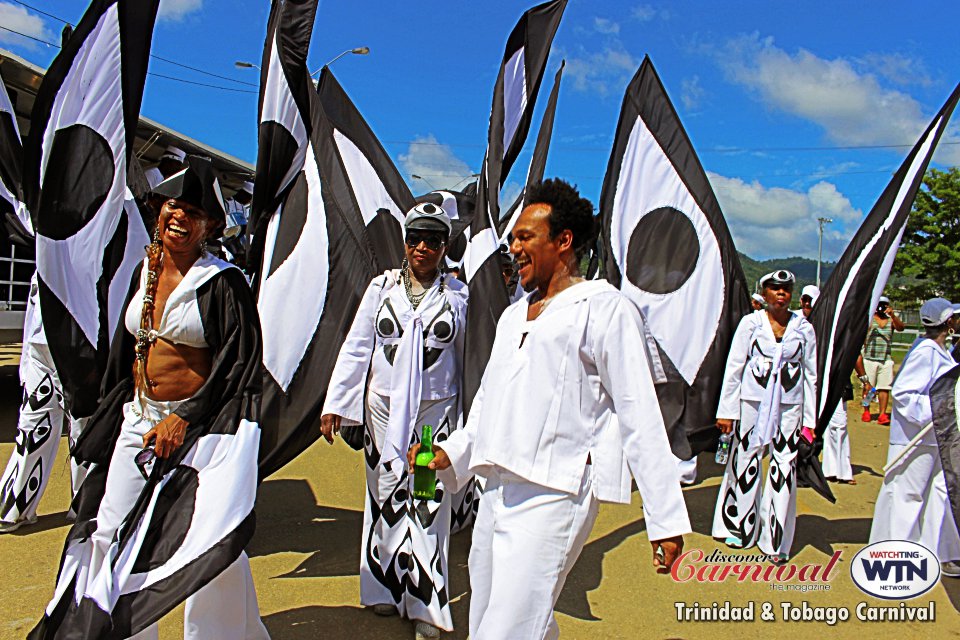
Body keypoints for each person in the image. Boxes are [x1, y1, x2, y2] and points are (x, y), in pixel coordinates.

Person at [409, 179, 690, 639]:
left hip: (556, 493)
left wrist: (663, 519)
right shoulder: (512, 315)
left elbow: (639, 413)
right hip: (495, 491)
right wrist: (453, 451)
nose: (513, 247)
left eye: (525, 237)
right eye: (513, 238)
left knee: (506, 629)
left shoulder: (604, 308)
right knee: (490, 618)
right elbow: (487, 403)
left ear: (563, 242)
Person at [34, 157, 268, 638]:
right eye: (172, 208)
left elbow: (239, 366)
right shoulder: (143, 272)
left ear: (209, 227)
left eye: (193, 214)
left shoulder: (223, 284)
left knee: (204, 545)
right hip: (138, 422)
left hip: (200, 432)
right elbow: (124, 352)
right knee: (109, 530)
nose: (179, 218)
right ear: (159, 210)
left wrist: (185, 418)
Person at [320, 202, 469, 640]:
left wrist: (467, 427)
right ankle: (383, 585)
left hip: (432, 416)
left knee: (426, 500)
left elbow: (469, 358)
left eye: (434, 240)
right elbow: (357, 345)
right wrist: (336, 404)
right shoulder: (381, 288)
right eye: (415, 238)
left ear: (445, 246)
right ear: (404, 242)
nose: (423, 247)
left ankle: (425, 603)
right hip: (382, 412)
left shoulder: (459, 296)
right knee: (384, 495)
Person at [712, 270, 817, 563]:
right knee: (746, 460)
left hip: (789, 406)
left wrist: (810, 421)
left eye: (786, 289)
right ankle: (740, 527)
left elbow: (811, 376)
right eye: (775, 288)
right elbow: (734, 367)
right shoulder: (751, 323)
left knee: (783, 467)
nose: (781, 293)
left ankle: (775, 539)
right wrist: (727, 411)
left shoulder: (803, 328)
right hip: (752, 404)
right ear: (766, 292)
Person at [869, 297, 960, 577]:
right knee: (907, 494)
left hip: (938, 437)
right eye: (955, 317)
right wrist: (937, 412)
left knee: (940, 494)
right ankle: (894, 555)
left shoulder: (942, 351)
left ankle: (938, 552)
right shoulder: (925, 352)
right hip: (916, 438)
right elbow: (905, 394)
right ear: (947, 322)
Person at [0, 275, 86, 532]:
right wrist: (25, 362)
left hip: (82, 347)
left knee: (82, 430)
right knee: (32, 427)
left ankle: (84, 506)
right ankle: (16, 507)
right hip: (42, 346)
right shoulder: (47, 253)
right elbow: (32, 311)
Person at [800, 285, 855, 484]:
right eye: (804, 300)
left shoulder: (832, 326)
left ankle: (840, 470)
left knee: (838, 425)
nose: (807, 304)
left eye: (810, 301)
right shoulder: (796, 322)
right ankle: (806, 470)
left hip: (831, 385)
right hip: (805, 386)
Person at [859, 295, 904, 425]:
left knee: (884, 388)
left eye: (884, 305)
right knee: (868, 388)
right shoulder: (870, 319)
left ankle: (882, 413)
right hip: (870, 358)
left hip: (885, 358)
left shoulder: (890, 321)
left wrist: (893, 315)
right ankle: (866, 410)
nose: (881, 308)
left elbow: (901, 328)